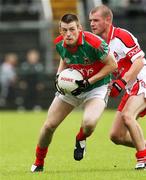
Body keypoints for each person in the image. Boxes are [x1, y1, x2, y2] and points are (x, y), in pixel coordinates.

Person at [30, 13, 117, 172]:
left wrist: (88, 82)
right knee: (49, 125)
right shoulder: (59, 43)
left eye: (72, 29)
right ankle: (38, 162)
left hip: (97, 87)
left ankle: (80, 138)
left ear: (80, 29)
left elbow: (113, 65)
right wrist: (59, 76)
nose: (68, 34)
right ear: (60, 30)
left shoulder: (95, 43)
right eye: (64, 30)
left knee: (89, 124)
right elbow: (65, 58)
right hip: (72, 87)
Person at [89, 4, 146, 169]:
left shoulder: (122, 36)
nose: (92, 24)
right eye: (91, 20)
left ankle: (142, 159)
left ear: (108, 20)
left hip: (142, 79)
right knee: (116, 135)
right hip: (130, 86)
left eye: (96, 20)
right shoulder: (97, 44)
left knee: (128, 116)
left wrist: (122, 81)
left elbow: (139, 61)